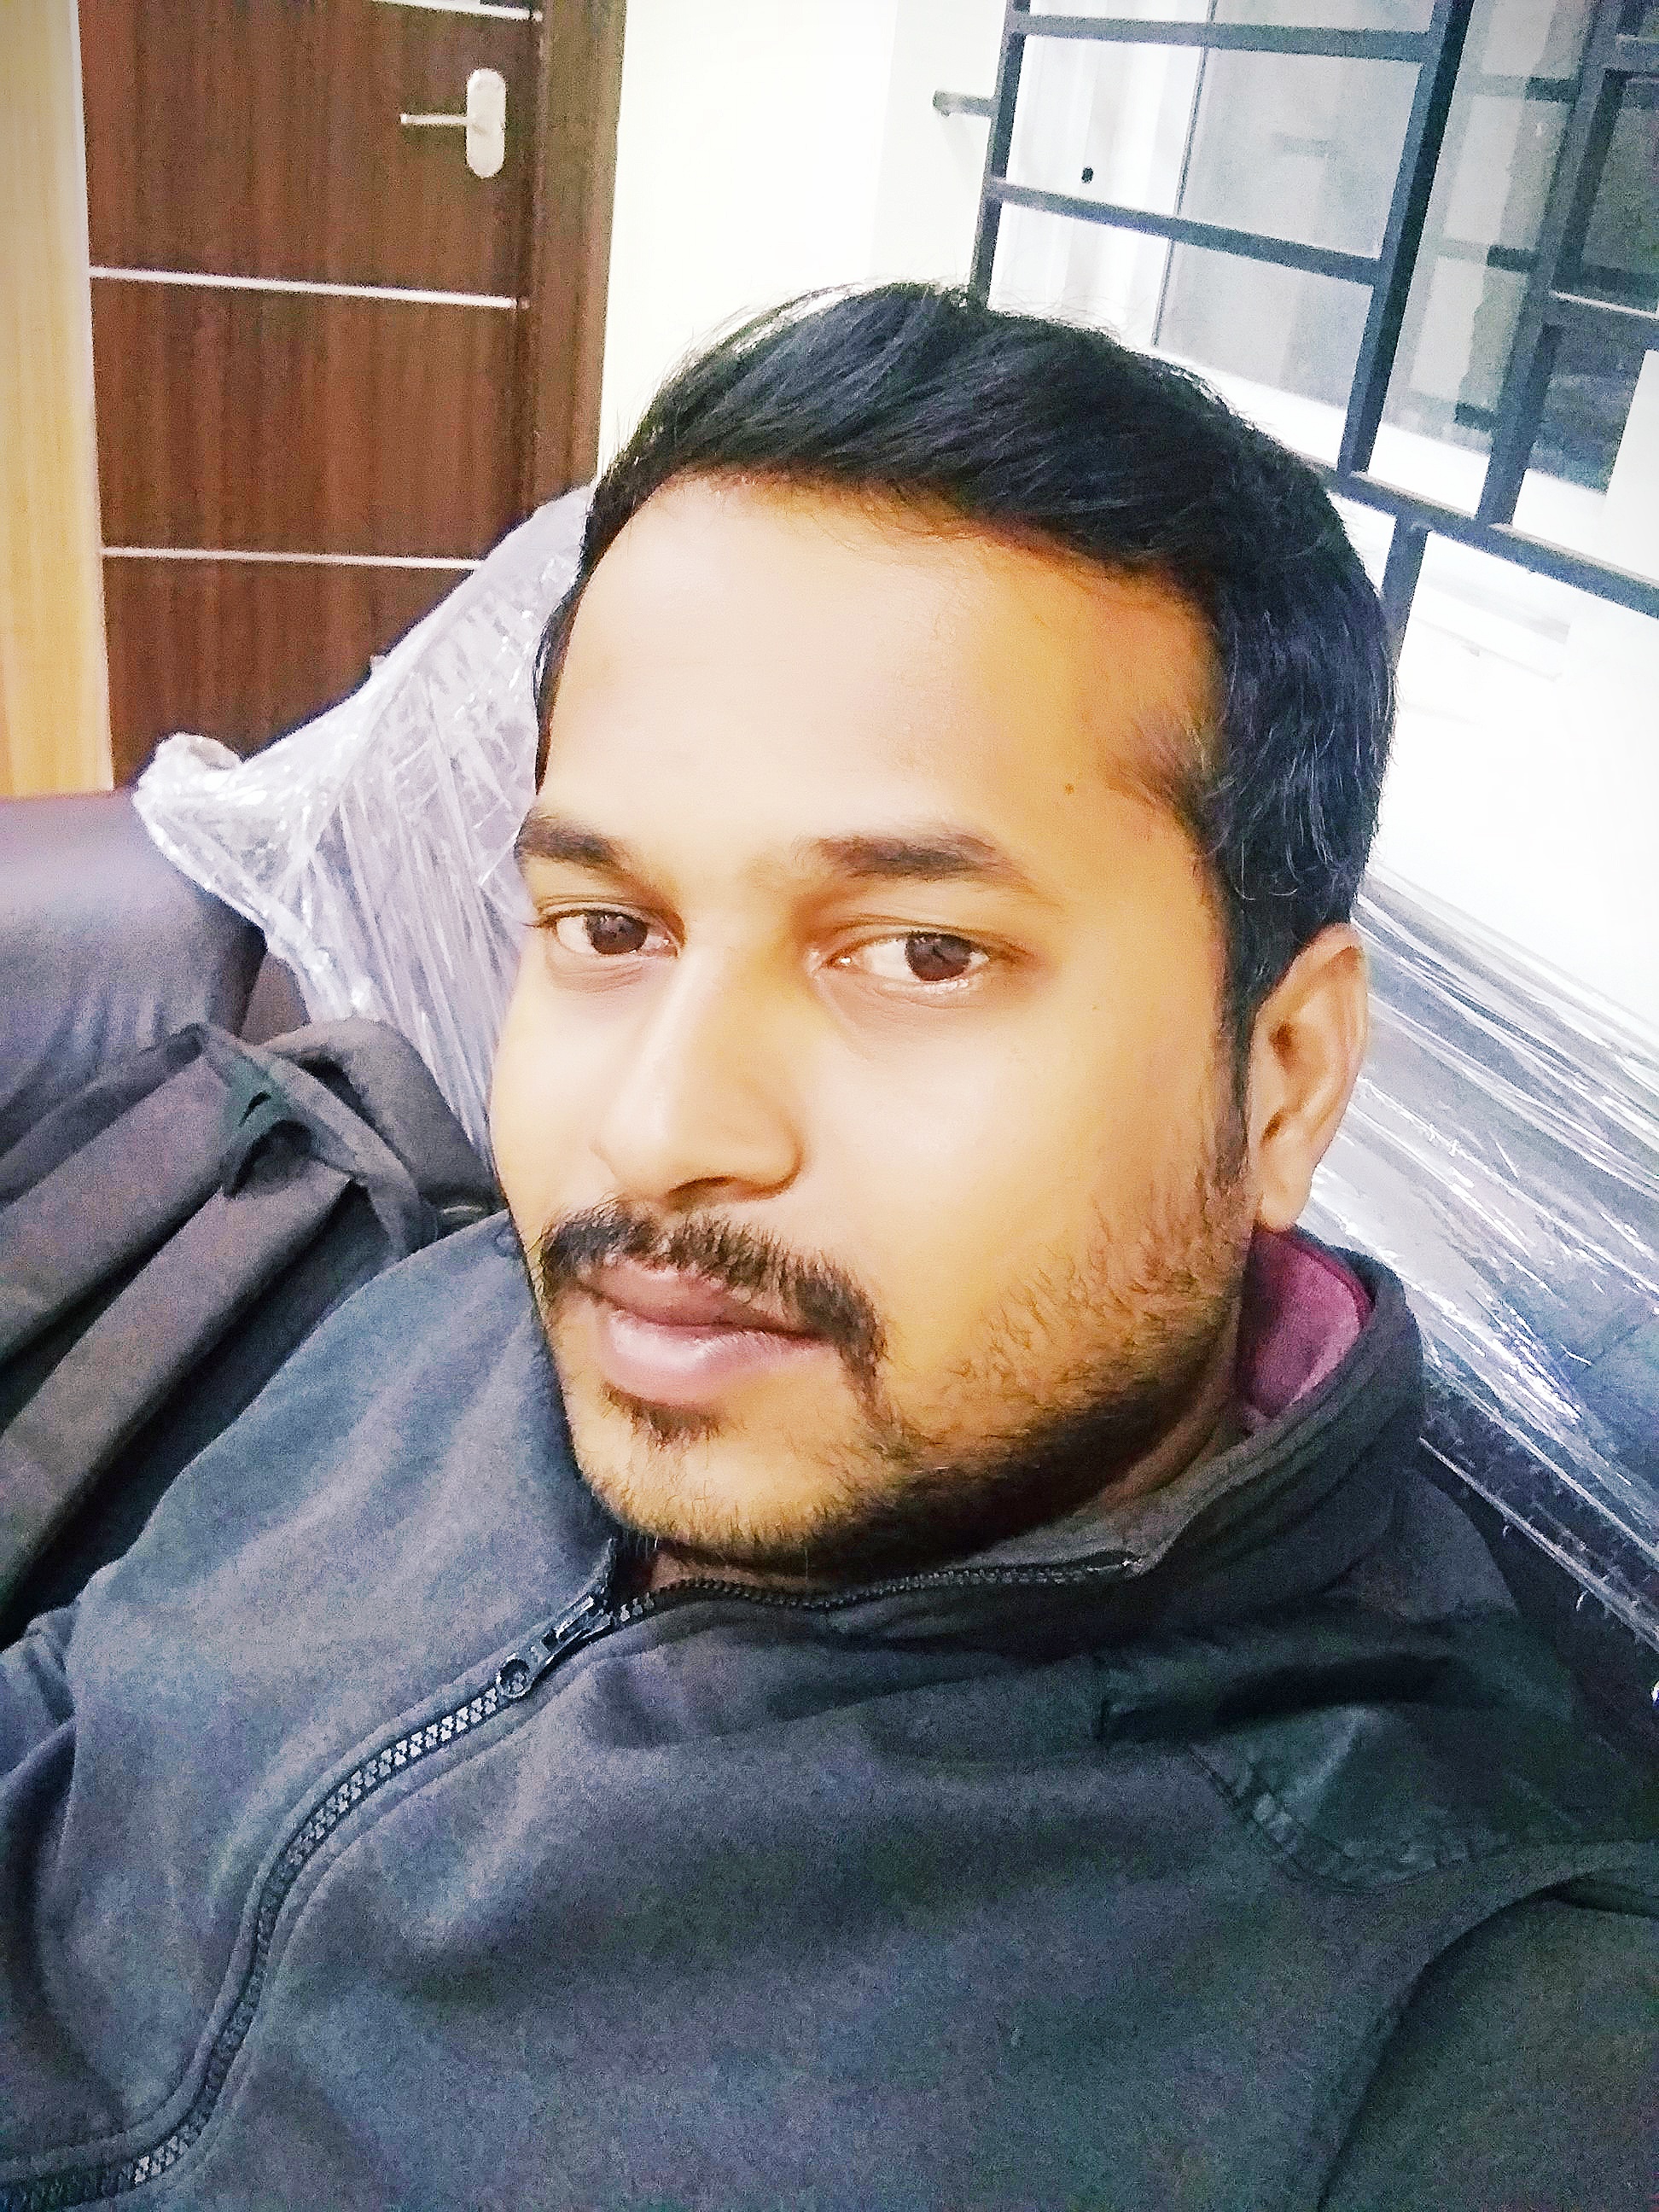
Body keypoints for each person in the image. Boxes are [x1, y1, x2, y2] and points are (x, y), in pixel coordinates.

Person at [1, 285, 1652, 2212]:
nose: (656, 1133)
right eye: (608, 929)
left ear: (1281, 1082)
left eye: (921, 955)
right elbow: (77, 1720)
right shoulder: (453, 1313)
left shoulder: (1459, 2043)